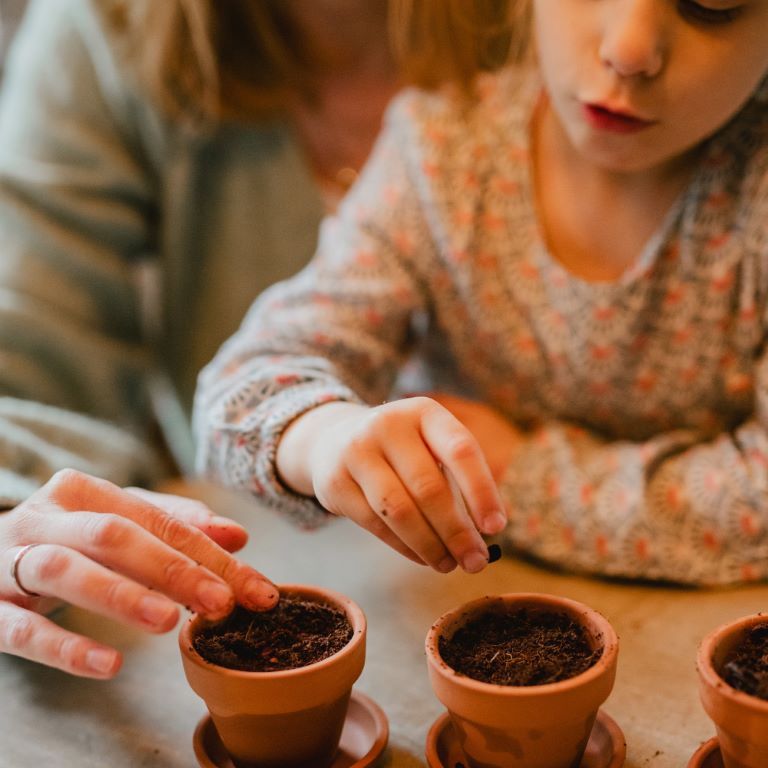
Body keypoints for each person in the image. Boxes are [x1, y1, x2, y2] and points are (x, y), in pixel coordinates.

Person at [195, 0, 768, 588]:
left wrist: (521, 478)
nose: (628, 49)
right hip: (446, 605)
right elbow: (239, 396)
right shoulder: (444, 147)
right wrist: (327, 438)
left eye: (713, 4)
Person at [0, 0, 472, 676]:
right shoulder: (103, 25)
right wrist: (13, 517)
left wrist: (532, 470)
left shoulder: (593, 35)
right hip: (241, 567)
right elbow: (23, 355)